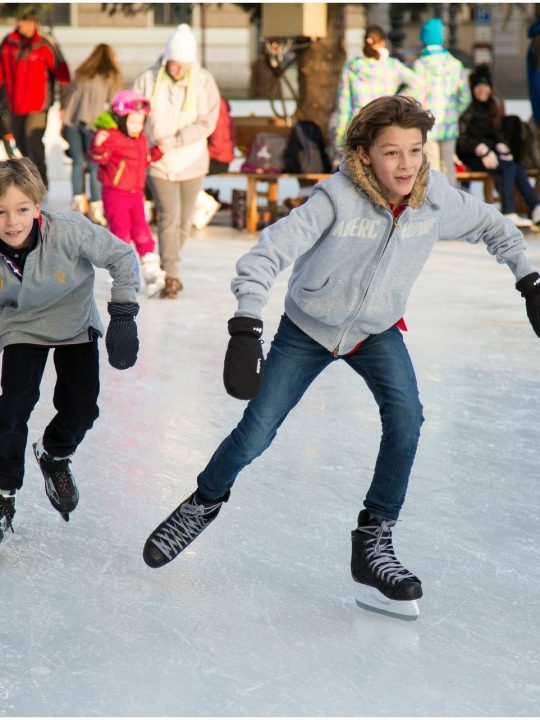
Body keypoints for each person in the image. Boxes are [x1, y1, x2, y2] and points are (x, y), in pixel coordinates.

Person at [141, 95, 540, 622]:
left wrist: (528, 278)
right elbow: (266, 255)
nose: (406, 164)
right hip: (307, 329)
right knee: (257, 431)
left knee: (407, 417)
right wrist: (245, 327)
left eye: (415, 151)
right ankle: (204, 500)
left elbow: (495, 227)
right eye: (392, 152)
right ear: (364, 153)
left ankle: (374, 537)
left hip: (375, 331)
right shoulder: (335, 199)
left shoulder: (434, 198)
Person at [0, 157, 140, 545]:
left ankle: (54, 453)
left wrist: (123, 312)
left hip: (74, 320)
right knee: (12, 410)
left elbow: (122, 256)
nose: (12, 222)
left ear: (38, 207)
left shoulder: (69, 231)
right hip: (19, 326)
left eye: (22, 210)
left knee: (82, 407)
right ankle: (3, 492)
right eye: (1, 212)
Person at [133, 23, 220, 299]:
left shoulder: (203, 80)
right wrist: (144, 143)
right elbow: (133, 112)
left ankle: (167, 260)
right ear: (166, 57)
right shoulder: (148, 79)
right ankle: (171, 275)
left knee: (184, 222)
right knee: (169, 217)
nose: (178, 69)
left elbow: (209, 121)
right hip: (159, 162)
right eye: (174, 63)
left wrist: (180, 138)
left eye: (184, 64)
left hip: (192, 160)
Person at [88, 89, 166, 297]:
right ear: (121, 120)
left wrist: (158, 152)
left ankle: (151, 269)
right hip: (115, 194)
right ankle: (123, 275)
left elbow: (143, 160)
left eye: (140, 123)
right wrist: (98, 144)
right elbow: (99, 158)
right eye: (132, 122)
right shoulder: (111, 137)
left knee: (142, 230)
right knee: (121, 232)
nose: (136, 127)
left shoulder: (140, 138)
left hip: (135, 194)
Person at [457, 64, 540, 228]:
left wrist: (501, 145)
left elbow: (495, 134)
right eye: (478, 86)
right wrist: (481, 149)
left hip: (490, 153)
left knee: (515, 163)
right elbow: (463, 140)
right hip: (471, 156)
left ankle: (535, 206)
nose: (482, 90)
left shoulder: (492, 107)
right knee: (508, 167)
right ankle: (509, 210)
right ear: (473, 88)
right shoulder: (469, 109)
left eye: (485, 85)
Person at [0, 10, 71, 188]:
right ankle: (29, 182)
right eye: (19, 20)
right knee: (21, 144)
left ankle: (41, 184)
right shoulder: (8, 43)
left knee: (33, 141)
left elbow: (63, 75)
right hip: (14, 104)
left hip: (38, 105)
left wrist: (64, 103)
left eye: (25, 21)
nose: (21, 24)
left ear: (34, 22)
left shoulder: (45, 44)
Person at [333, 25, 421, 152]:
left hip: (359, 122)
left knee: (359, 166)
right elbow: (418, 83)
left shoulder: (352, 67)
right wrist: (397, 100)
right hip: (386, 119)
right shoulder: (392, 66)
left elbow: (343, 105)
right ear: (383, 42)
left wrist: (340, 136)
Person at [62, 43, 122, 225]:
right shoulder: (110, 76)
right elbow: (114, 104)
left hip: (72, 122)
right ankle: (96, 207)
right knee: (96, 166)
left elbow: (68, 97)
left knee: (78, 163)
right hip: (93, 126)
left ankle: (78, 204)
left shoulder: (82, 73)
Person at [413, 18, 470, 186]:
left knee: (432, 166)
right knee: (448, 166)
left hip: (427, 123)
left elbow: (417, 96)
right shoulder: (455, 64)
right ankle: (452, 206)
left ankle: (435, 207)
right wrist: (454, 112)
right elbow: (465, 96)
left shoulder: (421, 64)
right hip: (450, 122)